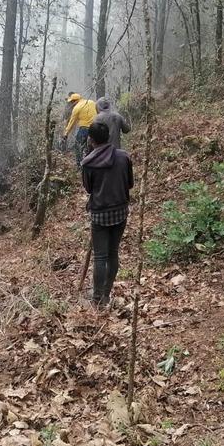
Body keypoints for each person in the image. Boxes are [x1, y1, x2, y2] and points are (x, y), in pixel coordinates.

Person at [81, 121, 134, 306]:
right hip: (120, 212)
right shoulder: (124, 157)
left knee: (100, 256)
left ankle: (97, 299)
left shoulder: (88, 163)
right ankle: (106, 294)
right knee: (113, 253)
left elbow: (88, 189)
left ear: (91, 139)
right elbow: (130, 184)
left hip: (100, 215)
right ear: (109, 136)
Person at [63, 93, 97, 165]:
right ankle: (94, 162)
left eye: (71, 102)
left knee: (78, 146)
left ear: (75, 101)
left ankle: (79, 164)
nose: (71, 104)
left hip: (84, 129)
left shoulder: (76, 108)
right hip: (96, 128)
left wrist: (66, 133)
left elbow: (71, 122)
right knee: (94, 147)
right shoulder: (92, 102)